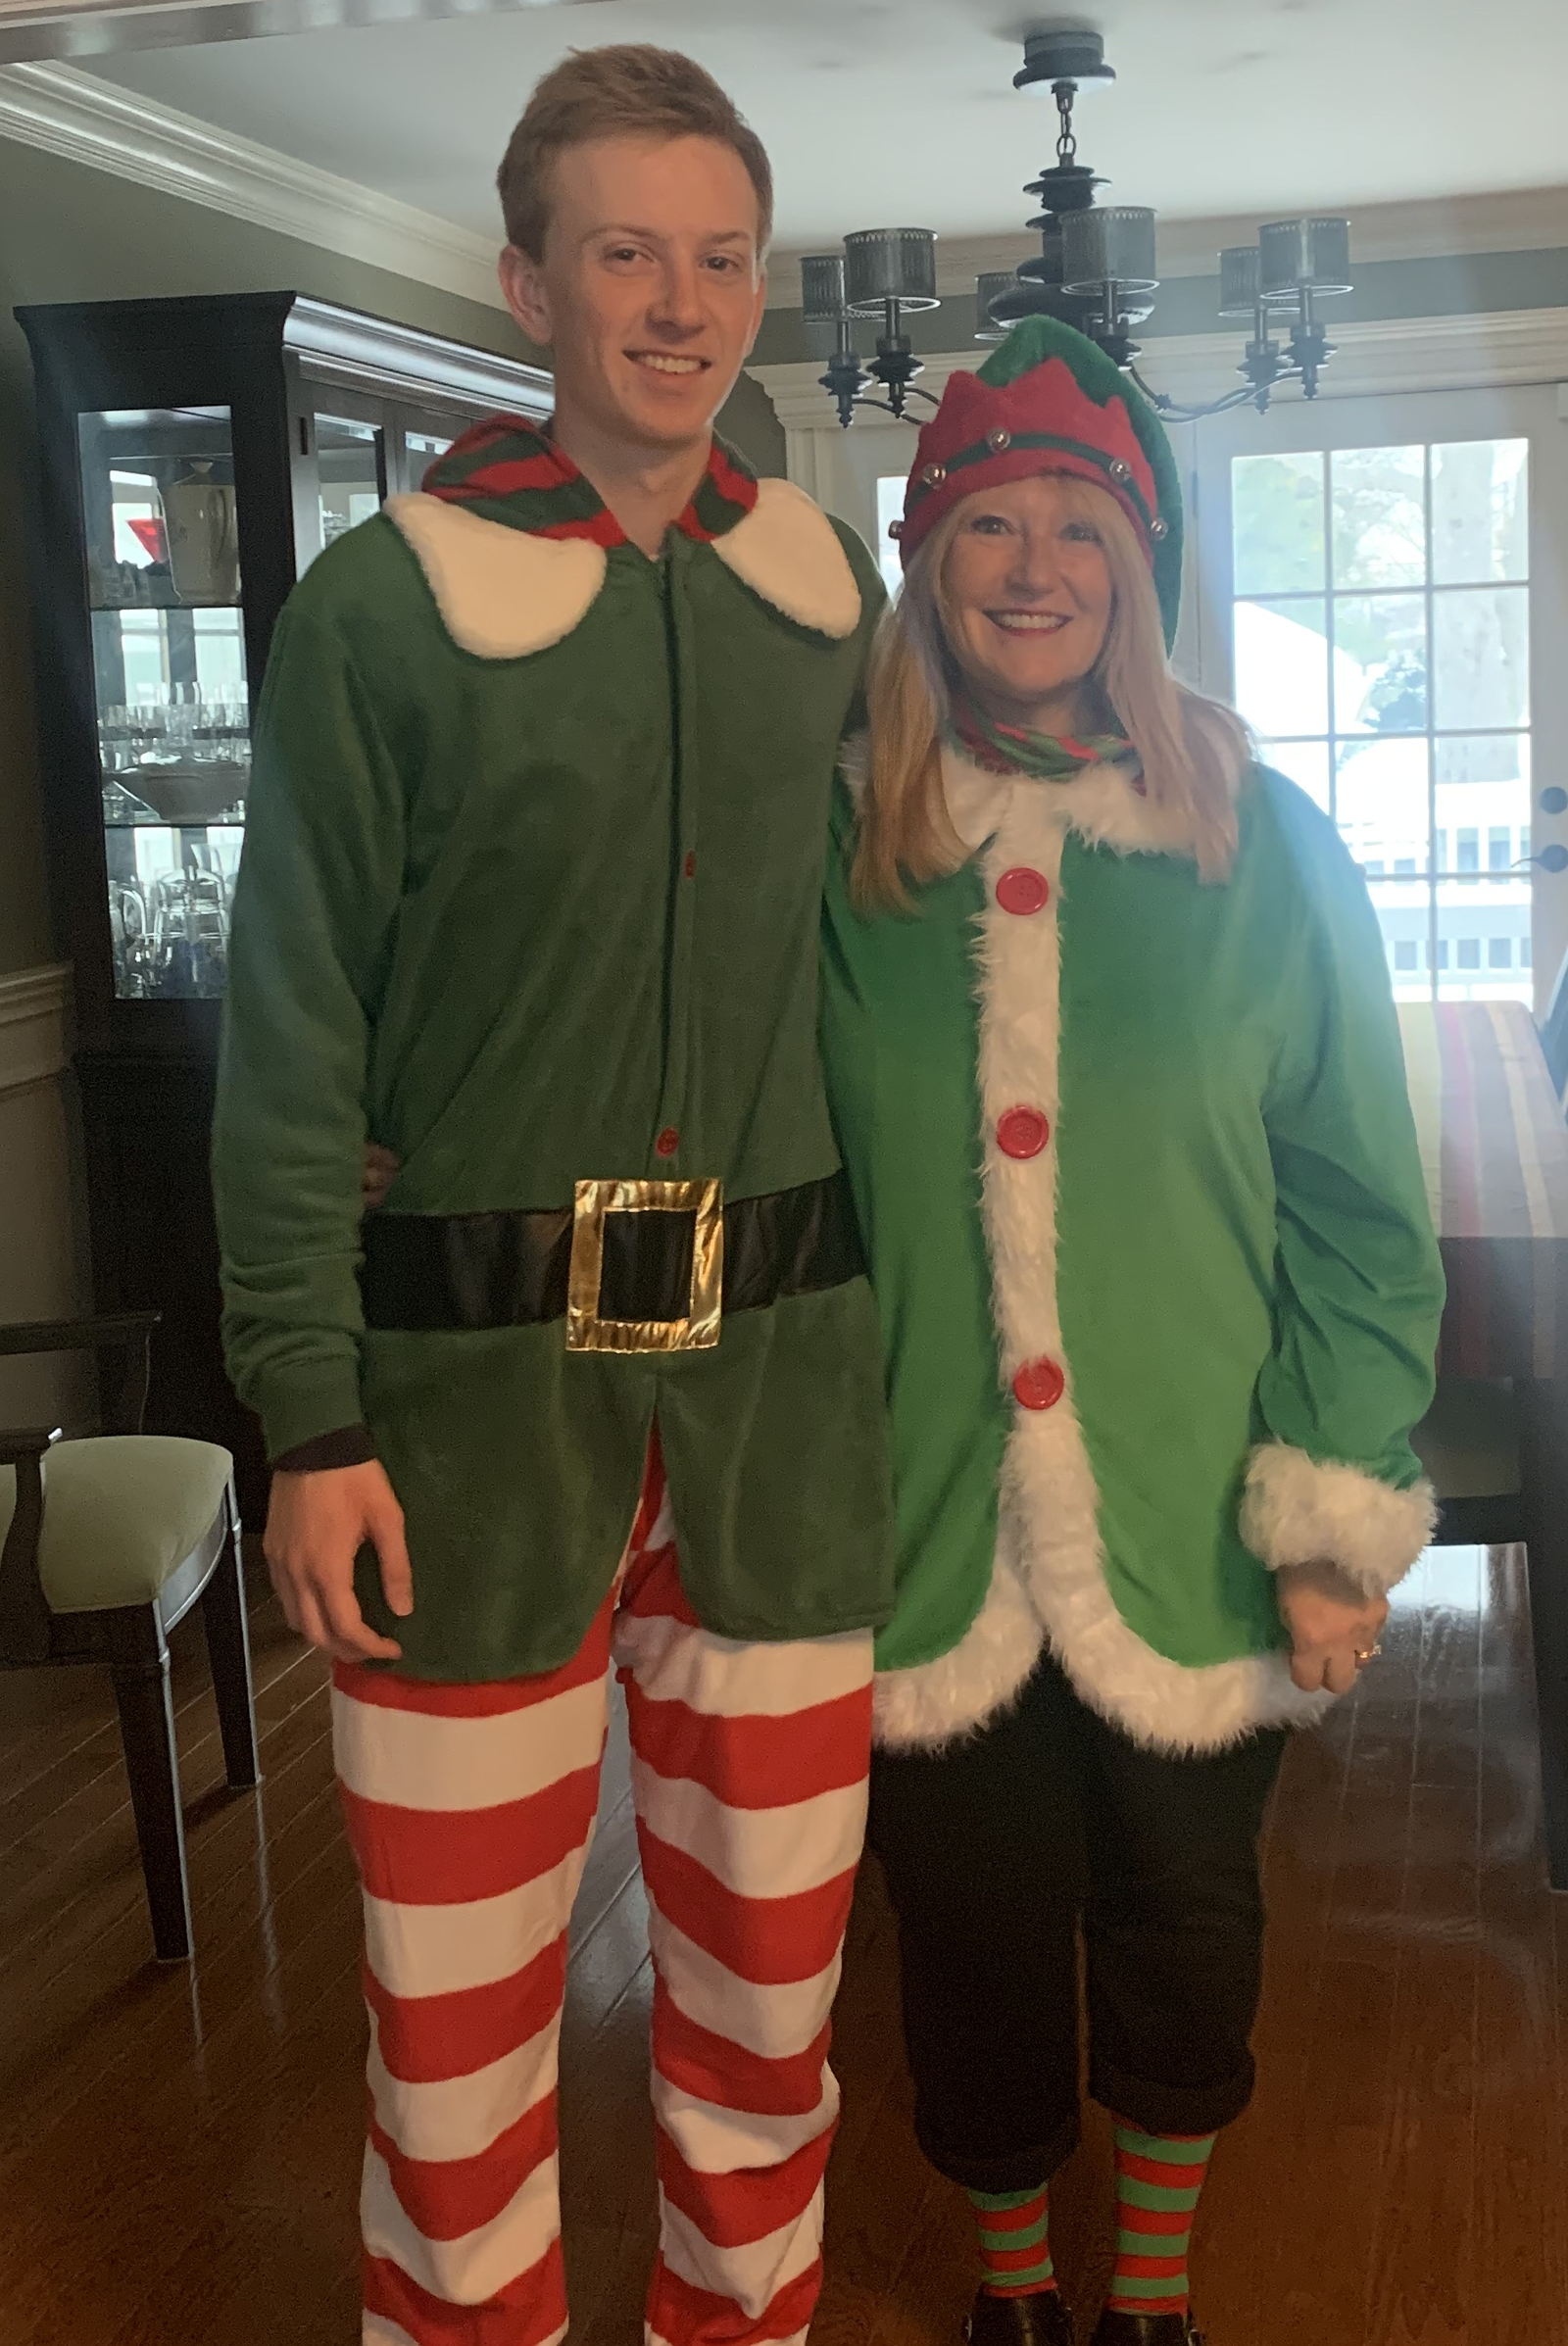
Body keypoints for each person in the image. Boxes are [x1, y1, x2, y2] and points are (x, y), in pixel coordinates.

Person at [212, 45, 896, 2346]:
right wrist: (307, 1416)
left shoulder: (829, 594)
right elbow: (292, 1031)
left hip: (776, 1416)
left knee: (770, 2017)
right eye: (624, 253)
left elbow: (917, 932)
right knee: (454, 2037)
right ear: (529, 286)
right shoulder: (380, 614)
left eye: (719, 258)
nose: (679, 304)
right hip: (463, 1427)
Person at [817, 317, 1446, 2346]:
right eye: (988, 527)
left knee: (1184, 1917)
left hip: (1187, 1505)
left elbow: (1359, 1210)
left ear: (1135, 566)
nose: (1033, 569)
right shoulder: (843, 850)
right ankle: (1012, 2289)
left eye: (1075, 528)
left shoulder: (1262, 847)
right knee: (968, 1929)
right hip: (923, 1518)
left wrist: (1330, 1520)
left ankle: (1147, 2291)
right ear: (929, 563)